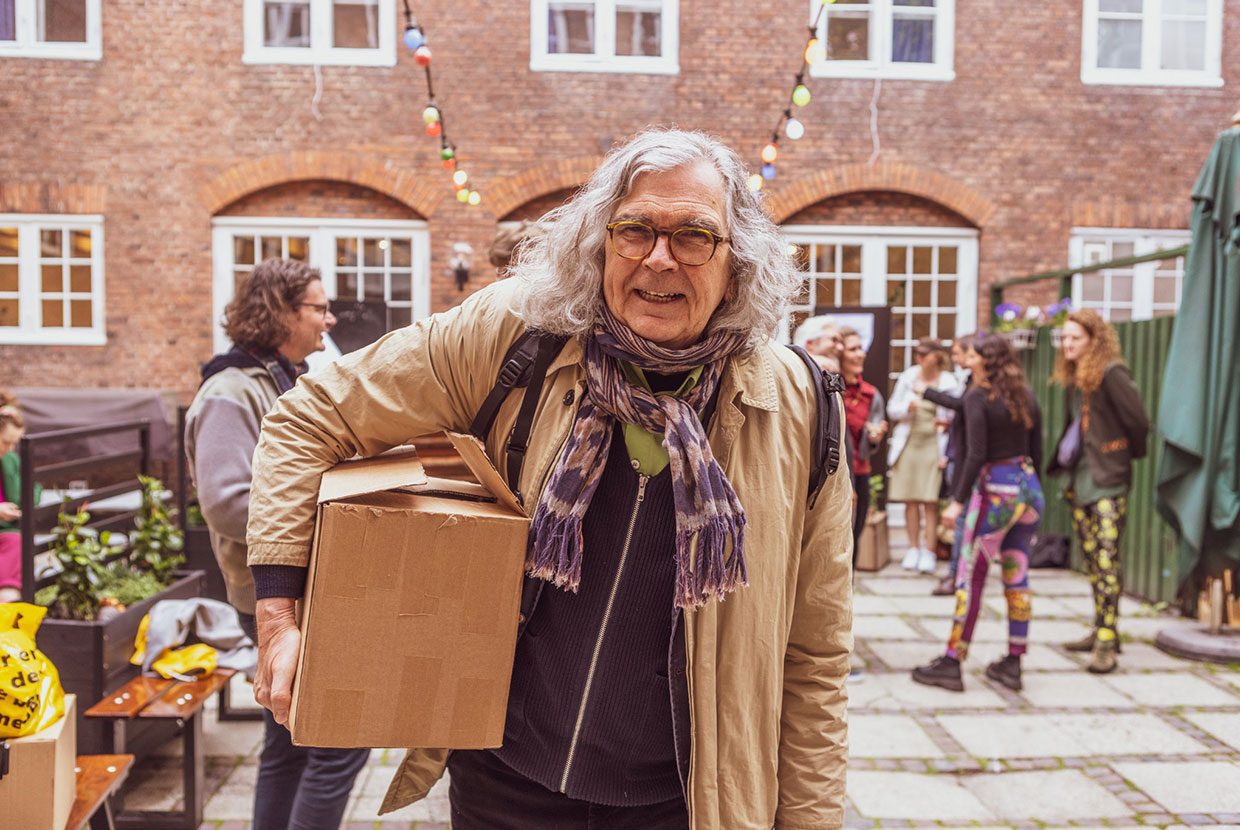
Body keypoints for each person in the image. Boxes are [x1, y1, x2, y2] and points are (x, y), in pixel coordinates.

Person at [244, 128, 854, 830]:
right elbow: (307, 419)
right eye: (634, 230)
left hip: (686, 803)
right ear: (600, 243)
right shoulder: (516, 334)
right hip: (506, 781)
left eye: (694, 235)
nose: (659, 258)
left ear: (737, 262)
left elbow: (814, 655)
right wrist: (279, 619)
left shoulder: (804, 408)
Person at [184, 258, 369, 830]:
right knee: (340, 744)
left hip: (302, 589)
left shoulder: (280, 378)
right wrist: (332, 521)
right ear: (282, 312)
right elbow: (225, 503)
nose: (329, 319)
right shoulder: (229, 391)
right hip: (272, 595)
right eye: (318, 307)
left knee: (288, 745)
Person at [911, 335, 1043, 693]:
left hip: (995, 493)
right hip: (1029, 490)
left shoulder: (977, 397)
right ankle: (1014, 662)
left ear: (986, 360)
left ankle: (953, 662)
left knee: (971, 577)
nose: (966, 359)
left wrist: (956, 501)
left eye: (972, 355)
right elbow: (1037, 449)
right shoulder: (1025, 395)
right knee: (1018, 576)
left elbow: (976, 453)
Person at [1046, 309, 1149, 674]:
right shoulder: (1078, 376)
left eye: (1076, 338)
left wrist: (1119, 454)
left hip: (1108, 478)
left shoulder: (1112, 373)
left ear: (1095, 339)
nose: (1068, 344)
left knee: (1107, 558)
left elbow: (1139, 423)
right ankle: (1102, 627)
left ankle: (1106, 639)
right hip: (1080, 480)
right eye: (1066, 338)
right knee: (1092, 560)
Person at [887, 337, 958, 573]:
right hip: (910, 443)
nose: (919, 358)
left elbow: (958, 415)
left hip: (934, 445)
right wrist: (906, 407)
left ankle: (929, 550)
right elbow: (892, 409)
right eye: (917, 354)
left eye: (923, 354)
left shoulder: (949, 381)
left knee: (930, 500)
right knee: (911, 500)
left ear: (936, 356)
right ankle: (913, 548)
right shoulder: (908, 377)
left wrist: (946, 424)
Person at [919, 334, 979, 596]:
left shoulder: (977, 385)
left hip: (964, 457)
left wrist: (927, 393)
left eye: (958, 353)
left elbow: (962, 406)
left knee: (961, 518)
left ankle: (956, 574)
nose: (954, 358)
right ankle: (959, 572)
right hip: (957, 453)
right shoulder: (970, 381)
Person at [839, 328, 887, 564]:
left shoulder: (871, 394)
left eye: (861, 348)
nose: (860, 354)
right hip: (836, 473)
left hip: (860, 471)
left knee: (854, 536)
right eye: (853, 349)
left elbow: (870, 441)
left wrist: (874, 437)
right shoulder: (829, 388)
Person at [0, 390, 39, 604]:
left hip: (7, 530)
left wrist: (25, 506)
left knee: (16, 541)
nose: (10, 448)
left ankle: (7, 600)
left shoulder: (9, 459)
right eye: (6, 442)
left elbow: (33, 487)